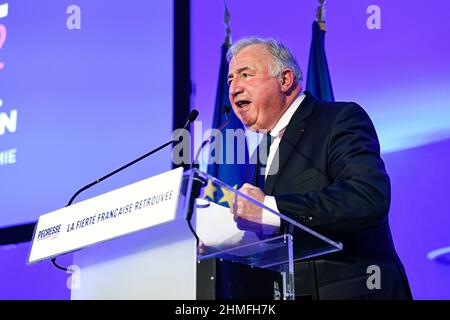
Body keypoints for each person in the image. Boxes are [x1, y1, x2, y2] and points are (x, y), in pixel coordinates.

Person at [226, 37, 412, 300]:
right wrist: (223, 242)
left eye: (245, 74)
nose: (234, 88)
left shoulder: (339, 119)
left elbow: (368, 197)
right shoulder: (260, 155)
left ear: (285, 79)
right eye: (230, 80)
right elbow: (268, 234)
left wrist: (272, 208)